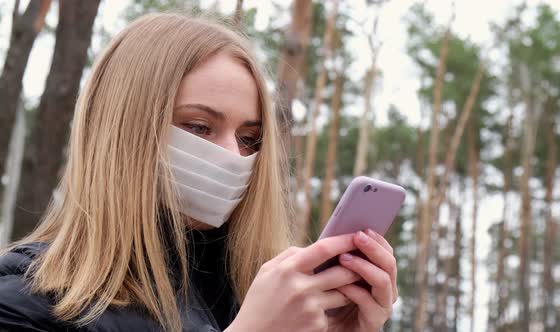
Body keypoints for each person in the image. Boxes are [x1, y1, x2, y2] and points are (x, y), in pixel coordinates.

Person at [0, 13, 398, 332]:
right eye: (198, 127)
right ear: (123, 132)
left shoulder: (263, 300)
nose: (232, 154)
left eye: (249, 138)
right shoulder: (25, 302)